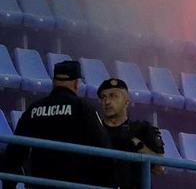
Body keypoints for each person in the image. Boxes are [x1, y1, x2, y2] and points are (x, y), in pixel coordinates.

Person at [0, 60, 114, 188]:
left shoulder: (34, 109)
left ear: (54, 82)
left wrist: (8, 185)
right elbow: (104, 151)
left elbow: (14, 154)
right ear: (77, 83)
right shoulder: (84, 108)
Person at [97, 78, 164, 189]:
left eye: (113, 96)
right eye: (103, 97)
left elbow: (159, 168)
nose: (107, 101)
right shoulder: (95, 128)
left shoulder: (142, 129)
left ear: (126, 102)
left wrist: (137, 144)